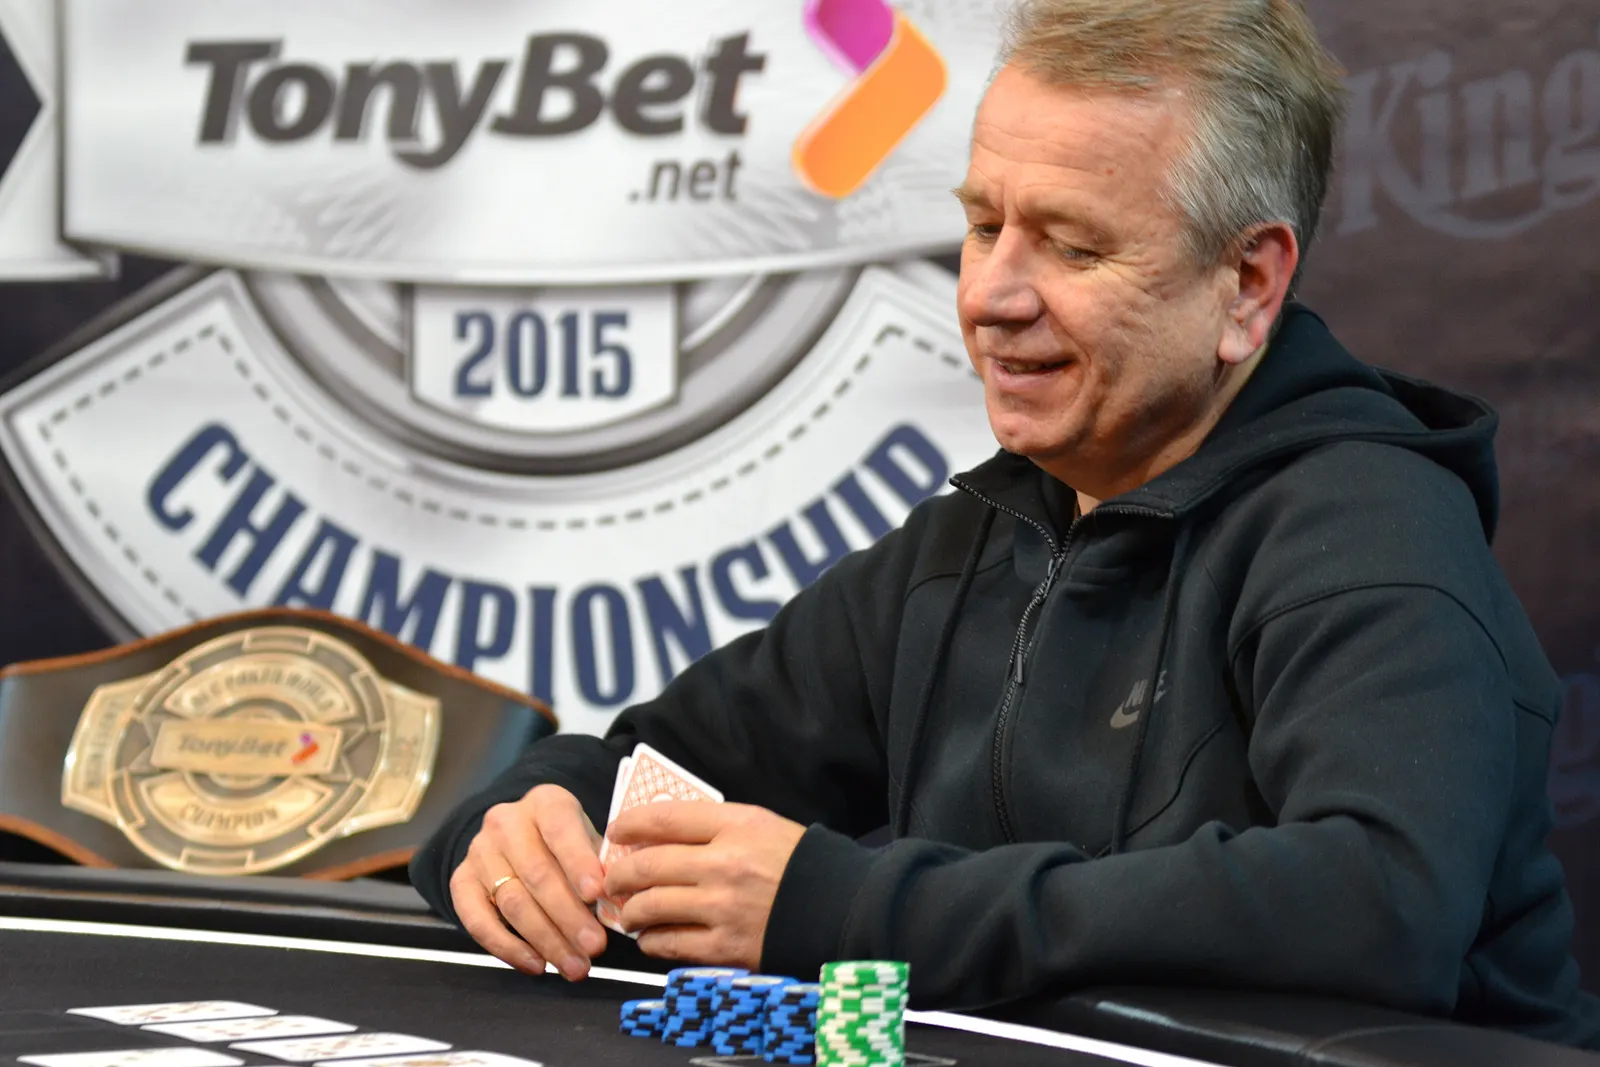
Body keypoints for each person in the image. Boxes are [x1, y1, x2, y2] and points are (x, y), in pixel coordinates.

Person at [410, 0, 1600, 1048]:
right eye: (984, 226)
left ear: (1247, 285)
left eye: (1074, 246)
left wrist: (844, 909)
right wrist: (516, 826)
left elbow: (1380, 904)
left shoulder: (1372, 526)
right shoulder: (970, 539)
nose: (989, 295)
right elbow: (652, 767)